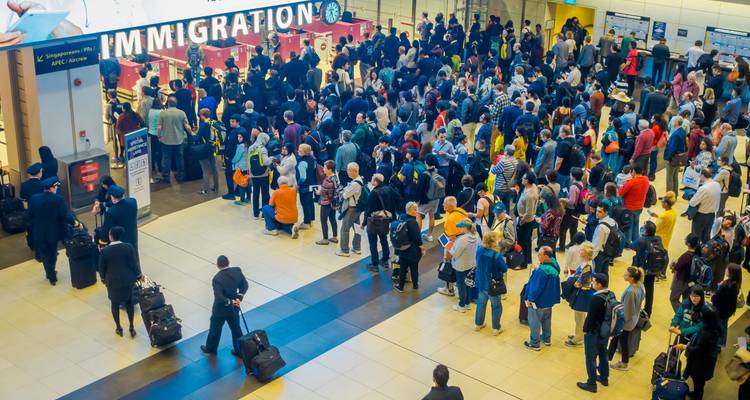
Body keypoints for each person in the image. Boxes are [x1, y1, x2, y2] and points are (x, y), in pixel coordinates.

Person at [28, 177, 76, 285]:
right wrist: (75, 223)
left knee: (45, 254)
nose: (56, 189)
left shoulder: (34, 198)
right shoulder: (57, 199)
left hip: (38, 232)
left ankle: (49, 273)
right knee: (52, 253)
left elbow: (30, 215)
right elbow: (65, 215)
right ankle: (52, 275)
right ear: (51, 188)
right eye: (55, 187)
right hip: (53, 233)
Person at [99, 226, 142, 338]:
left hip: (113, 282)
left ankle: (119, 327)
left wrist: (103, 279)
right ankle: (131, 327)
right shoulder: (128, 247)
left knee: (114, 304)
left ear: (111, 236)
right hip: (128, 280)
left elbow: (101, 268)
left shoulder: (105, 251)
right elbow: (134, 263)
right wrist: (139, 275)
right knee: (129, 303)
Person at [201, 255, 249, 356]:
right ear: (229, 262)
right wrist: (238, 298)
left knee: (215, 329)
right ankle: (240, 351)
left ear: (217, 265)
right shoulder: (237, 271)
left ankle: (211, 349)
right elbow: (245, 285)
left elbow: (219, 297)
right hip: (234, 308)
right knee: (236, 330)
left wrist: (230, 302)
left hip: (220, 310)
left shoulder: (217, 279)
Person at [672, 305, 722, 400]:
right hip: (703, 361)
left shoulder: (707, 334)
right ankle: (695, 394)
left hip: (701, 364)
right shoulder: (714, 326)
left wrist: (684, 347)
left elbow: (698, 349)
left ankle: (697, 396)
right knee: (698, 383)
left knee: (698, 383)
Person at [576, 273, 613, 393]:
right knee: (603, 353)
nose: (592, 283)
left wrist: (585, 330)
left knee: (590, 357)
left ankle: (591, 383)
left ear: (599, 284)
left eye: (593, 282)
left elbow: (591, 317)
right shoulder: (610, 294)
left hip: (593, 332)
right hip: (605, 330)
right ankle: (604, 377)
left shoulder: (595, 298)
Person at [523, 246, 561, 351]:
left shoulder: (541, 272)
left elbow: (536, 287)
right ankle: (546, 339)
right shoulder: (554, 265)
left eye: (540, 254)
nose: (538, 256)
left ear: (546, 256)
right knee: (546, 319)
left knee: (534, 321)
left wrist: (530, 299)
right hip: (549, 300)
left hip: (539, 301)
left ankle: (534, 343)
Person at [608, 266, 645, 371]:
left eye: (626, 275)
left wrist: (620, 321)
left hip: (626, 321)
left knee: (623, 341)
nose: (623, 275)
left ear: (632, 278)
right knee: (618, 339)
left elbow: (627, 311)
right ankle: (608, 356)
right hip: (633, 318)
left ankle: (624, 363)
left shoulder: (630, 292)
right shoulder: (640, 285)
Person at [474, 231, 508, 335]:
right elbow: (504, 268)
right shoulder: (496, 255)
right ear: (494, 241)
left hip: (481, 281)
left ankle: (478, 324)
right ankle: (496, 328)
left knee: (481, 303)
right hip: (493, 285)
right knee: (496, 306)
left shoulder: (479, 250)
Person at [364, 173, 398, 272]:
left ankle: (375, 265)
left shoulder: (373, 193)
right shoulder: (388, 189)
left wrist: (364, 222)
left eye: (372, 179)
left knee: (373, 242)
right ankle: (385, 261)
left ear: (376, 181)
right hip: (385, 220)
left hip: (374, 221)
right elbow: (398, 198)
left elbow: (368, 209)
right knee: (384, 239)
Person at [564, 242, 595, 347]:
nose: (579, 251)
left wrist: (570, 281)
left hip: (583, 293)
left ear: (586, 253)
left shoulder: (587, 266)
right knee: (578, 317)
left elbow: (581, 281)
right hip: (581, 292)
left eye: (581, 250)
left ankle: (579, 339)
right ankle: (578, 334)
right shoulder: (585, 263)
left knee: (580, 317)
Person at [157, 97, 191, 183]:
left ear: (168, 103)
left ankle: (166, 176)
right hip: (179, 140)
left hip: (166, 140)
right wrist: (191, 133)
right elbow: (187, 126)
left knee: (166, 159)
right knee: (179, 158)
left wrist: (159, 136)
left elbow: (159, 127)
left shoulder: (163, 113)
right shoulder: (182, 113)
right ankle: (180, 175)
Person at [100, 185, 138, 258]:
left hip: (121, 242)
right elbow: (122, 203)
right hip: (132, 238)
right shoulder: (133, 201)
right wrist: (105, 204)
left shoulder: (110, 212)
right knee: (134, 260)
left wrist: (102, 243)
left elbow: (106, 229)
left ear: (113, 198)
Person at [449, 219, 479, 313]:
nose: (459, 229)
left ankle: (461, 305)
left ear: (465, 228)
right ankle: (467, 303)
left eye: (461, 227)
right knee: (468, 284)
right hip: (471, 264)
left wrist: (449, 248)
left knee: (461, 285)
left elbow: (456, 254)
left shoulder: (462, 240)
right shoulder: (476, 236)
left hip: (460, 266)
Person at [617, 165, 649, 248]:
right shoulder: (646, 179)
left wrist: (624, 184)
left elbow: (620, 193)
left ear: (633, 172)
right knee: (636, 223)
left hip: (630, 207)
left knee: (628, 226)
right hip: (640, 206)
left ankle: (627, 243)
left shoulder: (632, 182)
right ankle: (636, 241)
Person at [337, 162, 364, 257]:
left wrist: (343, 191)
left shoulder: (355, 184)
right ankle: (357, 248)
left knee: (344, 229)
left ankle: (344, 250)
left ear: (355, 171)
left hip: (351, 209)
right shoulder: (359, 180)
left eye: (349, 170)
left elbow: (345, 195)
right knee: (357, 228)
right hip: (357, 208)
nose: (348, 172)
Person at [712, 263, 741, 347]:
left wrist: (718, 288)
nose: (725, 270)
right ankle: (721, 344)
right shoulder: (735, 284)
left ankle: (718, 344)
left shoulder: (725, 286)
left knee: (719, 327)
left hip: (721, 311)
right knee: (724, 326)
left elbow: (717, 298)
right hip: (728, 311)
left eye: (727, 269)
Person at [688, 168, 721, 243]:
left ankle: (695, 252)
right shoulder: (717, 184)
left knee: (696, 236)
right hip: (712, 215)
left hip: (701, 215)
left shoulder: (703, 188)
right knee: (706, 236)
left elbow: (692, 203)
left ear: (703, 175)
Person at [670, 234, 700, 311]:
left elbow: (677, 267)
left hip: (681, 280)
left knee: (673, 299)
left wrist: (673, 264)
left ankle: (682, 314)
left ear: (689, 244)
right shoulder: (698, 254)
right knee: (686, 301)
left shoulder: (686, 256)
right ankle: (687, 315)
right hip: (691, 281)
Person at [516, 172, 540, 270]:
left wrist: (521, 222)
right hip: (524, 220)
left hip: (525, 222)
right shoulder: (531, 186)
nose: (522, 179)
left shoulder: (530, 195)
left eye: (524, 178)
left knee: (523, 243)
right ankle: (527, 260)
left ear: (528, 181)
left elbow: (529, 212)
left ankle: (523, 263)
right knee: (526, 242)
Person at [247, 128, 272, 218]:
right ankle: (264, 214)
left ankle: (255, 213)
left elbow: (249, 162)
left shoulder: (251, 147)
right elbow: (266, 162)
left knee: (255, 194)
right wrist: (272, 159)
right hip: (263, 174)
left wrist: (250, 173)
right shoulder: (263, 149)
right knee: (265, 194)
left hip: (253, 174)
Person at [194, 109, 220, 195]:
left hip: (205, 149)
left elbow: (197, 138)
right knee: (214, 168)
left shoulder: (203, 125)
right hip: (213, 148)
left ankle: (205, 189)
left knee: (205, 169)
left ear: (202, 116)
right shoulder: (214, 123)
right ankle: (216, 187)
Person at [316, 160, 339, 245]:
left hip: (326, 203)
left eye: (325, 168)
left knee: (323, 220)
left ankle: (325, 239)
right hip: (333, 203)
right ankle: (335, 236)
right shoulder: (335, 177)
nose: (323, 169)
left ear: (329, 170)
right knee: (332, 219)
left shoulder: (327, 180)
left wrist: (319, 192)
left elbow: (325, 193)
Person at [591, 203, 617, 275]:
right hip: (609, 252)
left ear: (606, 212)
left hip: (600, 254)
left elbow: (597, 246)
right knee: (605, 273)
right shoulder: (612, 221)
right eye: (597, 211)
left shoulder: (601, 227)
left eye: (600, 212)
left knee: (597, 276)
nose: (597, 213)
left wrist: (590, 257)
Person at [664, 117, 687, 195]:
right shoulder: (682, 131)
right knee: (675, 176)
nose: (672, 123)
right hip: (678, 157)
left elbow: (672, 148)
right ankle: (675, 194)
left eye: (673, 121)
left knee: (669, 178)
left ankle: (669, 196)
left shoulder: (676, 134)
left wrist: (668, 158)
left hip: (673, 158)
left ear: (677, 122)